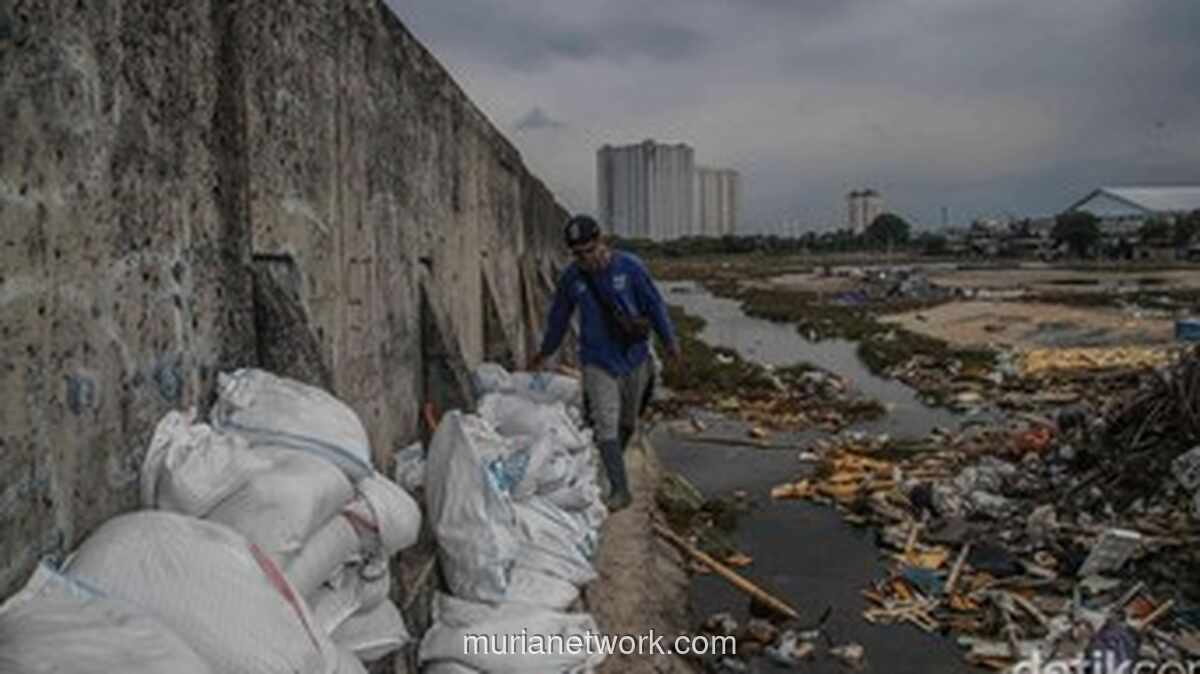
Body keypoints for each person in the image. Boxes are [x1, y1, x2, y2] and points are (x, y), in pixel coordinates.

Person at [529, 214, 681, 512]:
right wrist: (545, 351)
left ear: (602, 242)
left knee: (627, 422)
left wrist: (671, 342)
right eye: (579, 254)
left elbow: (654, 305)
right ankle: (620, 490)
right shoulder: (572, 278)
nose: (587, 258)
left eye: (591, 250)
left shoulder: (630, 267)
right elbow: (558, 319)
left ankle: (612, 464)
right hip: (598, 361)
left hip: (635, 357)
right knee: (605, 422)